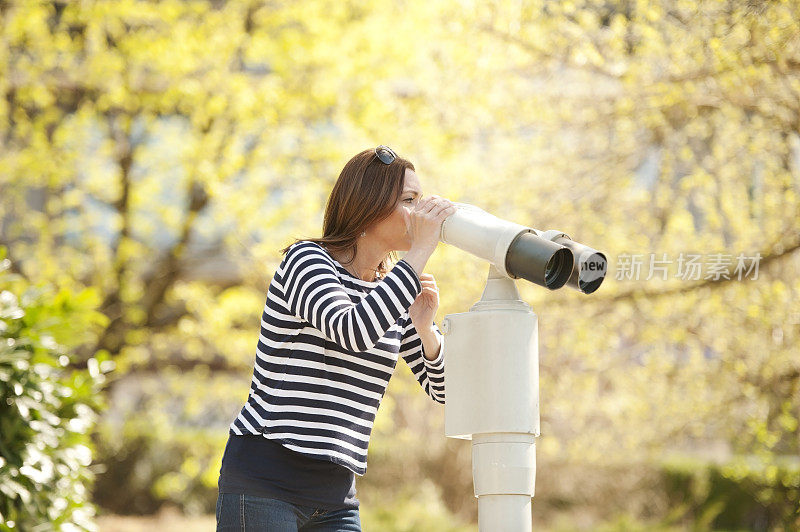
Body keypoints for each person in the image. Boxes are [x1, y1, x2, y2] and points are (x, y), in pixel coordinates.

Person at [216, 145, 456, 531]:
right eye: (410, 200)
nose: (421, 211)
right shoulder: (307, 261)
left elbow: (447, 391)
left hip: (336, 496)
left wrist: (427, 331)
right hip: (265, 481)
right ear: (370, 205)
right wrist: (419, 256)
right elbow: (351, 330)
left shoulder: (391, 289)